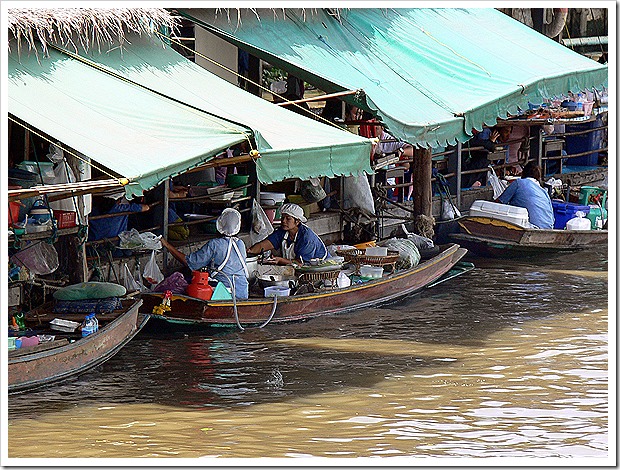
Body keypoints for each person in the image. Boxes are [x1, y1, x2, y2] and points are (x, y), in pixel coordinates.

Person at [160, 208, 249, 299]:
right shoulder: (240, 243)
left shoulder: (214, 244)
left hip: (223, 293)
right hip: (243, 292)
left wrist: (167, 245)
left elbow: (189, 262)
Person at [247, 203, 327, 265]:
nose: (284, 221)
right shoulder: (282, 231)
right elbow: (263, 245)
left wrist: (280, 260)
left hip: (318, 270)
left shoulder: (307, 238)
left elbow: (301, 263)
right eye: (282, 218)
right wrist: (249, 251)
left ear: (297, 221)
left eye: (288, 218)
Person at [496, 161, 554, 229]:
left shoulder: (519, 183)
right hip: (548, 227)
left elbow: (499, 202)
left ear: (523, 173)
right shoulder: (544, 192)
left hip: (531, 227)